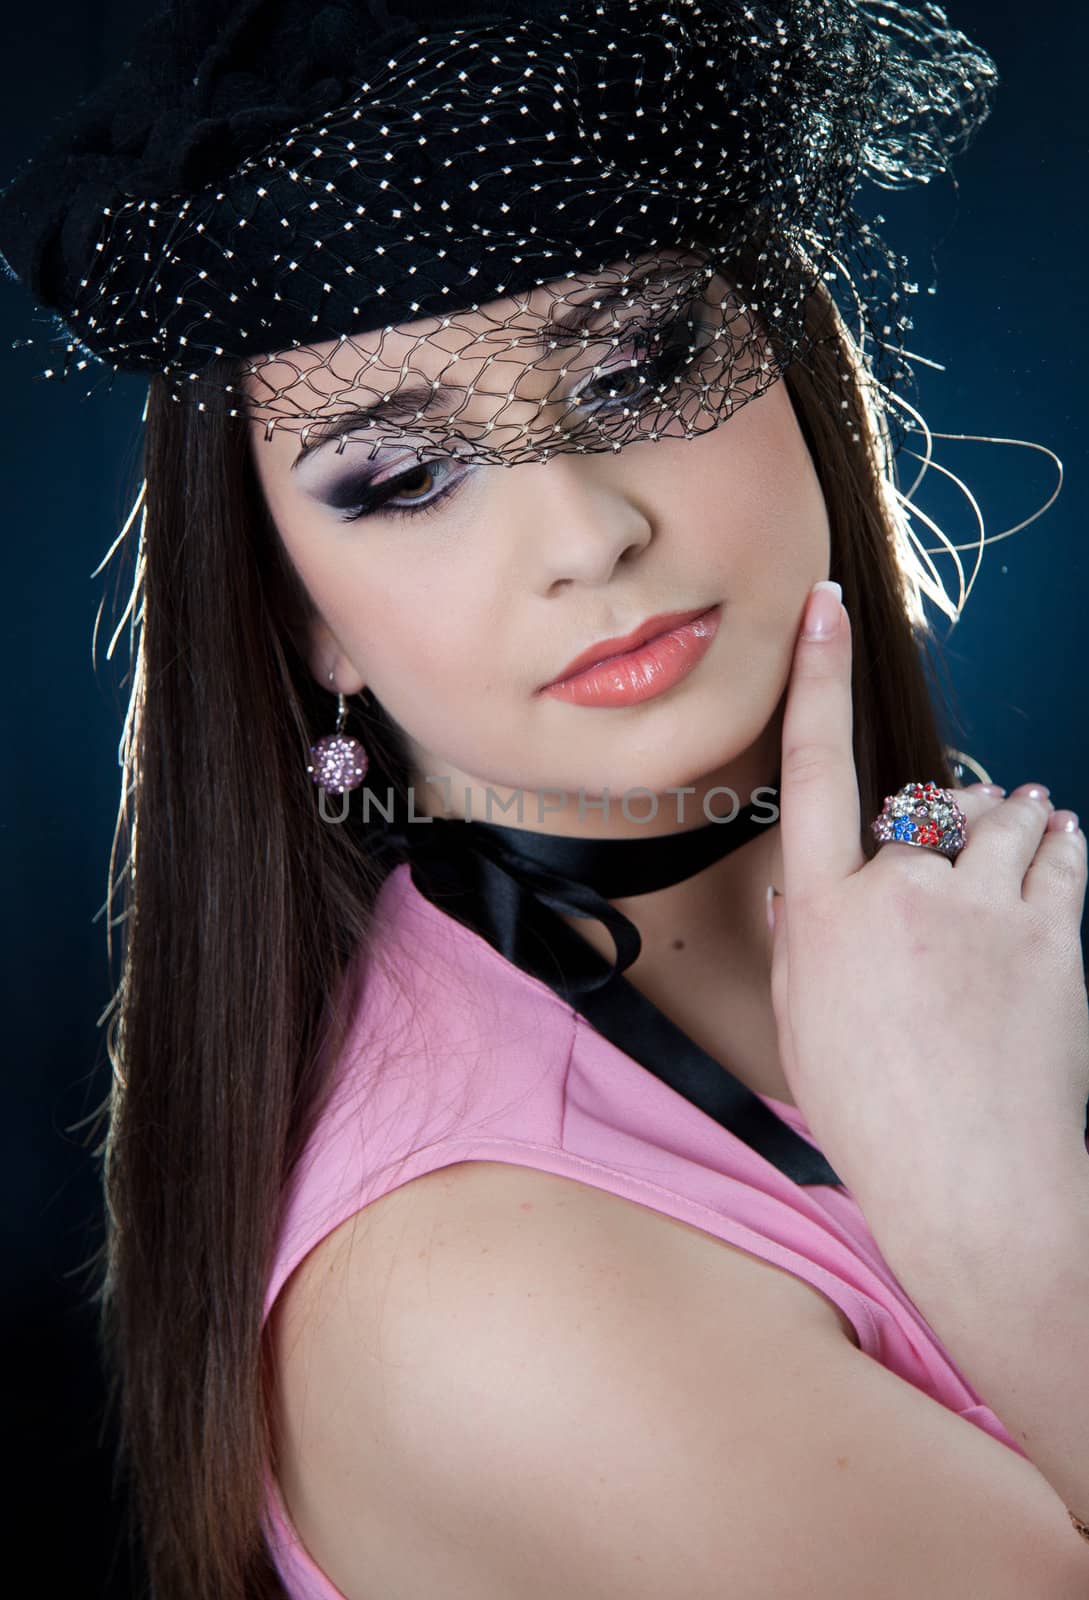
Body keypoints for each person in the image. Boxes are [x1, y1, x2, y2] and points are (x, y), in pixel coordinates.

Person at [1, 2, 1087, 1597]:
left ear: (793, 362)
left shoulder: (937, 906)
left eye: (637, 367)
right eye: (403, 478)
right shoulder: (488, 1292)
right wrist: (1002, 1217)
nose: (585, 535)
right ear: (299, 612)